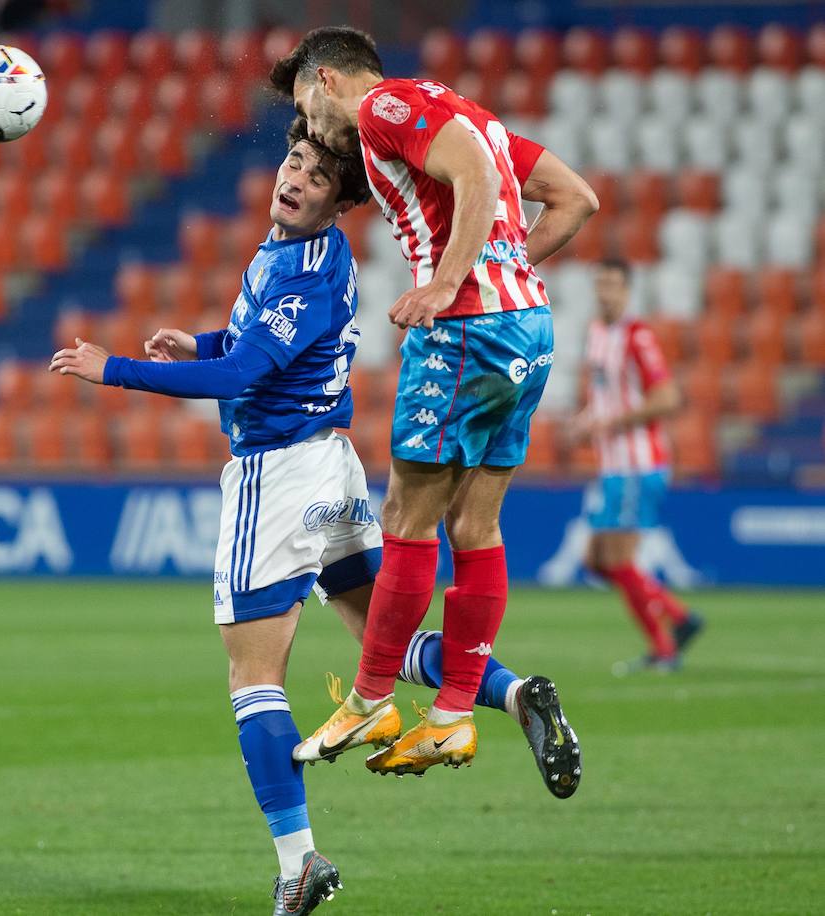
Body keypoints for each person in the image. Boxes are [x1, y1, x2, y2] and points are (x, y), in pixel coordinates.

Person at [50, 119, 578, 916]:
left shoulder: (301, 268)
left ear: (339, 205)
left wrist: (113, 369)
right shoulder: (305, 255)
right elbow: (260, 345)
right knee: (379, 638)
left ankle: (299, 862)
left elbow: (246, 371)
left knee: (252, 677)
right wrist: (198, 343)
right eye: (293, 163)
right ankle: (512, 693)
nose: (296, 179)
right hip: (330, 469)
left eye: (318, 177)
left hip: (277, 477)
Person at [271, 26, 599, 778]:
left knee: (406, 520)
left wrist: (451, 283)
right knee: (474, 524)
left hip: (466, 330)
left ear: (325, 81)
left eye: (305, 107)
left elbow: (476, 176)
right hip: (527, 326)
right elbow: (577, 199)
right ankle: (451, 715)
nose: (311, 129)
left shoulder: (383, 108)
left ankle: (370, 700)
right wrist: (500, 274)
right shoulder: (467, 113)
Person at [575, 259, 703, 673]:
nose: (605, 291)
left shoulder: (638, 336)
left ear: (628, 290)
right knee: (596, 561)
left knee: (615, 559)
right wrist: (587, 421)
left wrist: (612, 422)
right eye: (600, 283)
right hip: (613, 466)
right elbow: (605, 397)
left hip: (637, 464)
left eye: (612, 284)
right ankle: (678, 616)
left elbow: (667, 398)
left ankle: (664, 648)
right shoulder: (597, 333)